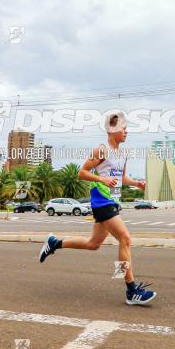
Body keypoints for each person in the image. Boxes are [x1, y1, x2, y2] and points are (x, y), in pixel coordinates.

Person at [38, 111, 155, 305]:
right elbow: (82, 172)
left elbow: (121, 178)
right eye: (124, 128)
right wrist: (101, 178)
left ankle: (54, 243)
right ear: (112, 129)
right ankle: (131, 289)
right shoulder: (102, 150)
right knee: (125, 239)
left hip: (112, 201)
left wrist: (136, 183)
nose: (127, 132)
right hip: (101, 201)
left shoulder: (122, 153)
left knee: (94, 244)